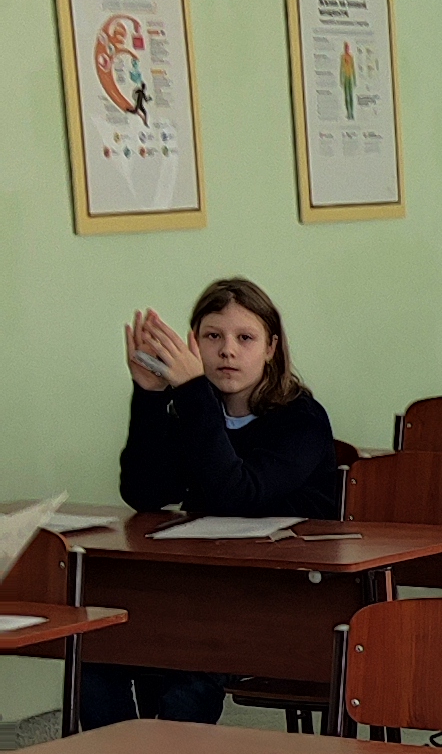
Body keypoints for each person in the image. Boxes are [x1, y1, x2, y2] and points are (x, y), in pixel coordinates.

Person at [83, 275, 343, 730]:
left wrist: (191, 392)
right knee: (99, 649)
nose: (227, 351)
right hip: (204, 583)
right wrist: (149, 395)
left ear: (271, 348)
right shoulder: (194, 410)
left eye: (245, 338)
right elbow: (144, 493)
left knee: (189, 668)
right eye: (212, 337)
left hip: (284, 593)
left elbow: (236, 493)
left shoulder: (301, 418)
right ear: (194, 343)